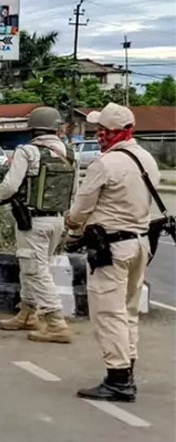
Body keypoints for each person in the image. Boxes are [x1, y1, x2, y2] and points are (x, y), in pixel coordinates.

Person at [67, 103, 160, 403]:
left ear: (111, 132)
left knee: (109, 313)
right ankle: (127, 367)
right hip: (140, 243)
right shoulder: (147, 158)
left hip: (111, 249)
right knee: (128, 311)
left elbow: (81, 206)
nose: (98, 135)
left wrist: (72, 227)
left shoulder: (105, 164)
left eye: (100, 130)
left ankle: (118, 379)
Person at [0, 106, 73, 343]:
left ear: (32, 129)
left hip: (33, 221)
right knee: (32, 267)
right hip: (57, 220)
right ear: (56, 128)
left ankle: (56, 324)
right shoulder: (68, 152)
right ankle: (27, 313)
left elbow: (11, 186)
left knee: (36, 270)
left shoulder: (28, 151)